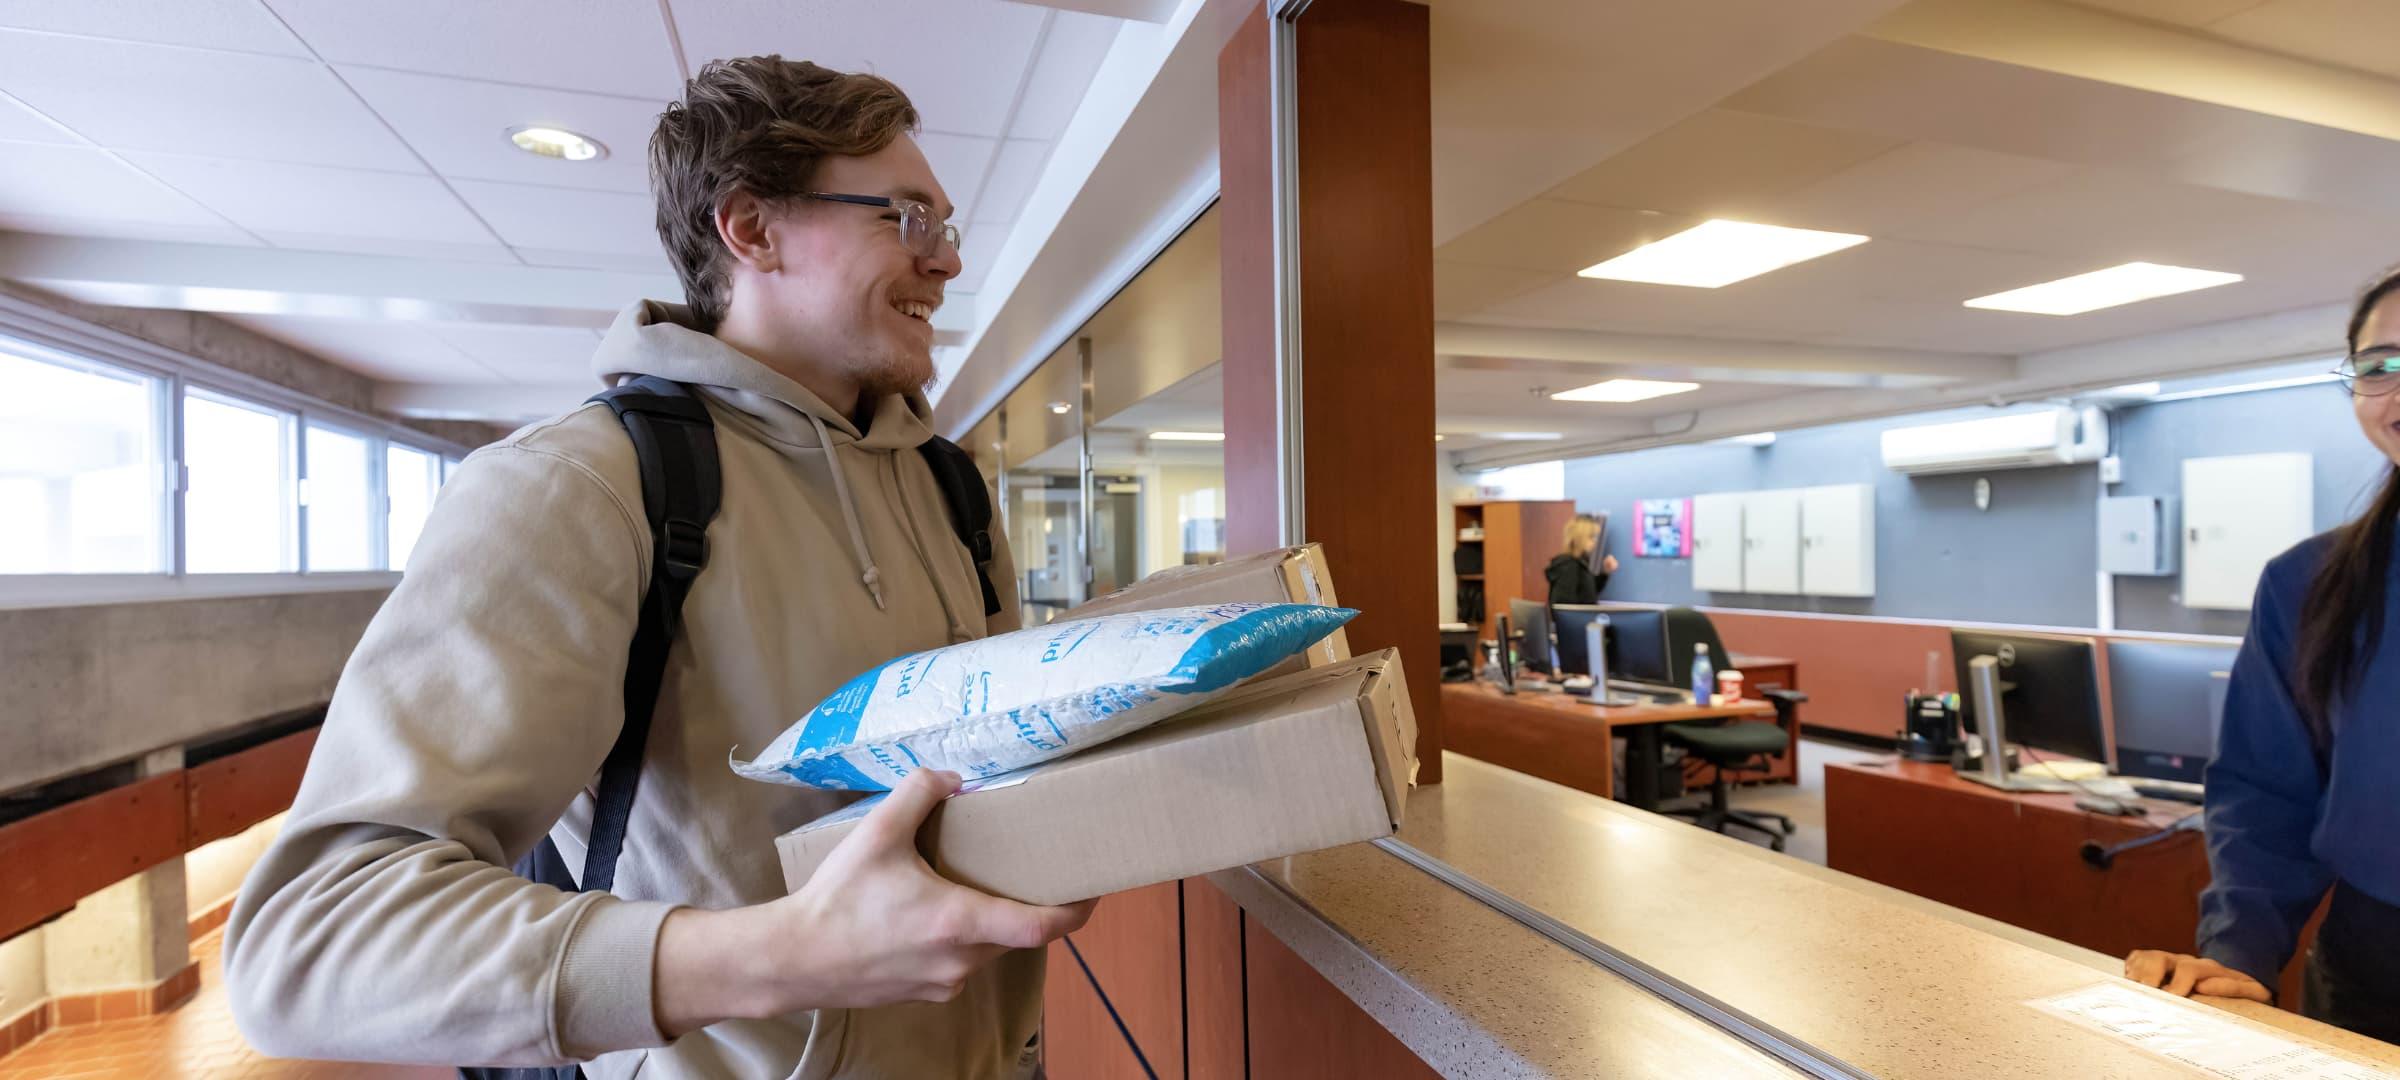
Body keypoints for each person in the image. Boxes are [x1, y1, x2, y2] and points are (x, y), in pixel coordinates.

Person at [224, 57, 1094, 1078]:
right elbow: (311, 941)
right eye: (904, 218)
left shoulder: (950, 487)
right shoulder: (582, 486)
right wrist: (787, 955)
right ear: (751, 229)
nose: (943, 263)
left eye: (945, 228)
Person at [2123, 267, 2400, 1043]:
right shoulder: (2307, 584)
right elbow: (2268, 787)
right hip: (2375, 977)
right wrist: (2240, 949)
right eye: (2381, 365)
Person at [1546, 513, 1619, 606]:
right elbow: (1565, 609)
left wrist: (1605, 572)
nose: (1595, 541)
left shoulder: (1580, 563)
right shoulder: (1568, 566)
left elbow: (1588, 594)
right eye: (1591, 536)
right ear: (1580, 537)